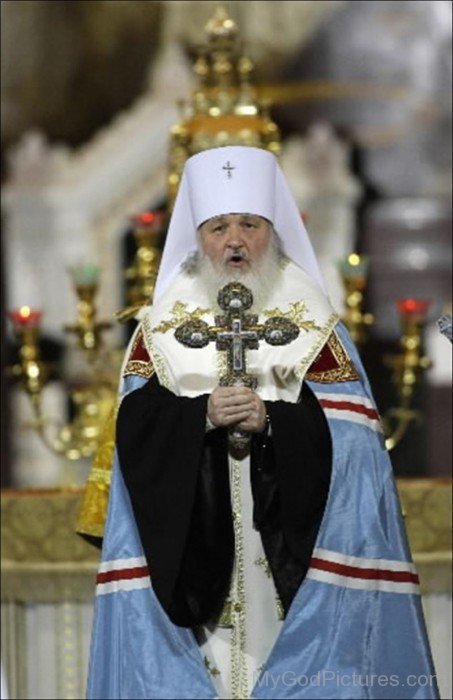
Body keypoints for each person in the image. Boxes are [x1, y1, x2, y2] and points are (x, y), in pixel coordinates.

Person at [86, 146, 438, 700]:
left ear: (273, 230)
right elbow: (135, 431)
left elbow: (358, 444)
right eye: (218, 225)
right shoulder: (159, 328)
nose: (234, 240)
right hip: (192, 557)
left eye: (249, 223)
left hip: (290, 563)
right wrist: (199, 416)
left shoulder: (314, 323)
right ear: (196, 237)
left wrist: (273, 421)